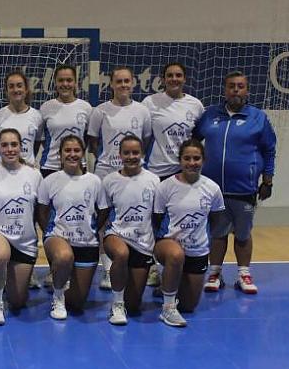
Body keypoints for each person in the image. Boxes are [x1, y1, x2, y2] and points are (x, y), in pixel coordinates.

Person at [194, 71, 277, 295]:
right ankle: (215, 272)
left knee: (242, 233)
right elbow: (193, 142)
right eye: (232, 86)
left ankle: (243, 273)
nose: (236, 90)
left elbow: (269, 151)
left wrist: (267, 180)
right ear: (225, 89)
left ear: (247, 90)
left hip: (244, 188)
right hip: (213, 189)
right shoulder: (210, 115)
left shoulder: (258, 117)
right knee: (218, 233)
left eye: (240, 86)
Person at [86, 66, 151, 291]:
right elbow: (93, 141)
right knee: (104, 221)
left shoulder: (142, 111)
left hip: (133, 173)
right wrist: (110, 160)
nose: (123, 85)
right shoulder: (100, 111)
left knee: (134, 216)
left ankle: (142, 261)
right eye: (119, 81)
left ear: (133, 83)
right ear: (111, 84)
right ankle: (107, 269)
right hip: (106, 172)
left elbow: (146, 140)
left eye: (127, 81)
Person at [141, 62, 204, 287]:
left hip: (182, 173)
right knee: (153, 222)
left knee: (177, 222)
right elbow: (144, 136)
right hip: (156, 172)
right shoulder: (150, 103)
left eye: (178, 75)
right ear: (163, 79)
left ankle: (177, 264)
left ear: (185, 78)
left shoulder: (195, 105)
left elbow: (196, 140)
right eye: (170, 75)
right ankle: (151, 267)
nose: (174, 79)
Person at [152, 139, 225, 327]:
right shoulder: (165, 187)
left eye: (196, 158)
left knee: (189, 306)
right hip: (168, 246)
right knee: (176, 255)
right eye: (187, 158)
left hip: (197, 251)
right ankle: (168, 308)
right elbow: (156, 220)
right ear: (180, 161)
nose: (192, 163)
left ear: (203, 160)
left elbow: (216, 221)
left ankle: (167, 285)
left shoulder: (212, 188)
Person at [36, 135, 105, 320]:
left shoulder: (94, 181)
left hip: (87, 243)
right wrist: (50, 234)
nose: (72, 154)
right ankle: (57, 297)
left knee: (76, 304)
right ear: (60, 154)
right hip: (58, 238)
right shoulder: (50, 180)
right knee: (64, 255)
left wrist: (91, 229)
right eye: (67, 150)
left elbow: (103, 211)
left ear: (83, 154)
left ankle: (63, 281)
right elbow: (41, 211)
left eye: (76, 150)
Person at [0, 128, 43, 325]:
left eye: (14, 144)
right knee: (0, 255)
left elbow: (40, 211)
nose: (9, 149)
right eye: (4, 145)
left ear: (21, 147)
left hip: (24, 241)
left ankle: (7, 285)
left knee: (18, 302)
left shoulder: (34, 175)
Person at [101, 135, 160, 325]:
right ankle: (117, 304)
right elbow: (103, 213)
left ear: (142, 154)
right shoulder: (110, 181)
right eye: (126, 153)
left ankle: (125, 302)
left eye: (135, 152)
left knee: (133, 305)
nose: (131, 156)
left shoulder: (153, 180)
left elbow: (158, 214)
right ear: (120, 155)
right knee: (121, 253)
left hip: (143, 243)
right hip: (116, 235)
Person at [39, 65, 93, 177]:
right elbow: (41, 140)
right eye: (61, 80)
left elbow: (87, 138)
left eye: (69, 80)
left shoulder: (86, 107)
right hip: (50, 167)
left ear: (75, 83)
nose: (65, 84)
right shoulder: (46, 108)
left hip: (78, 165)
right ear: (55, 82)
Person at [0, 70, 43, 166]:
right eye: (11, 86)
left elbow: (36, 144)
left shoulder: (37, 116)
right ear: (6, 91)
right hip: (3, 171)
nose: (16, 90)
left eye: (19, 86)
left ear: (26, 89)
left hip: (28, 170)